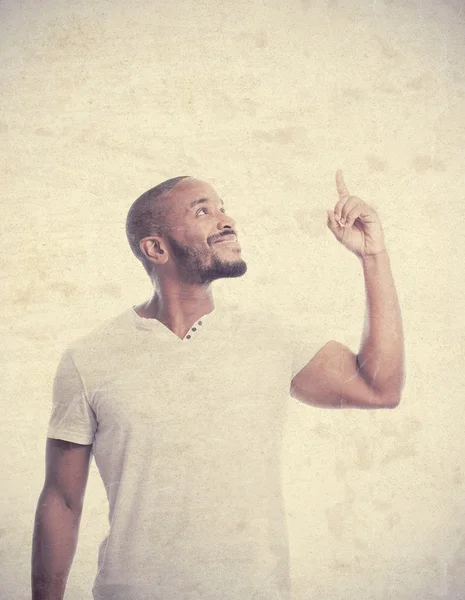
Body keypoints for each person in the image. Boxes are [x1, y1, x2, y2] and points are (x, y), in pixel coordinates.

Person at [31, 171, 405, 600]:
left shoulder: (270, 338)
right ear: (155, 248)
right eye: (203, 211)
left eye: (223, 207)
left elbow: (380, 389)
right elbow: (61, 499)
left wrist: (373, 257)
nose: (226, 220)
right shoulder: (90, 358)